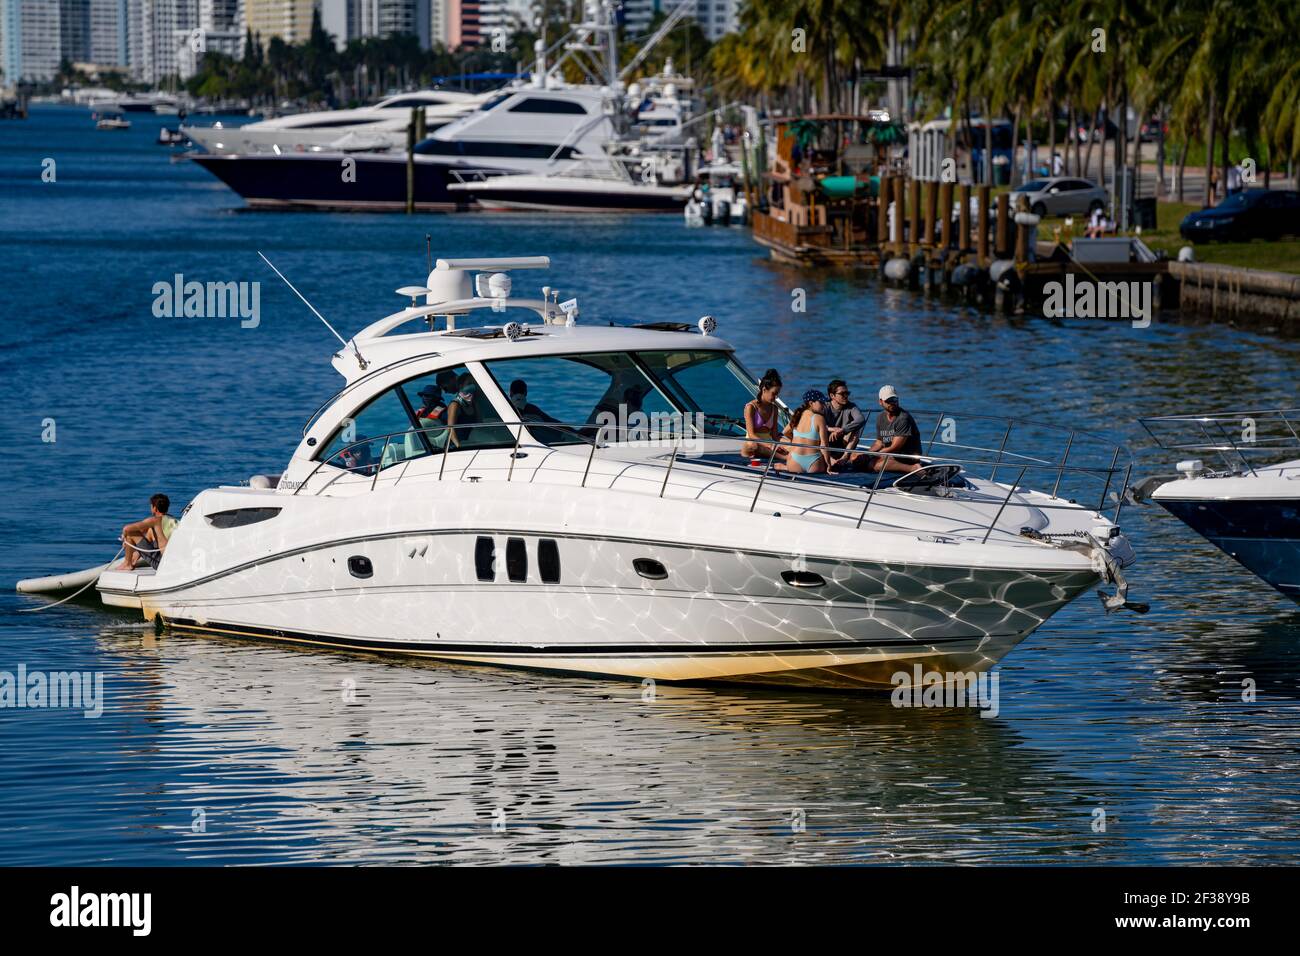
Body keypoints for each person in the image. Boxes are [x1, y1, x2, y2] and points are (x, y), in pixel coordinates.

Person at [865, 385, 923, 473]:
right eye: (889, 401)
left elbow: (895, 447)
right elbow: (879, 442)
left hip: (905, 457)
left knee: (875, 465)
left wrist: (876, 454)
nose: (892, 403)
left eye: (894, 400)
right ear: (881, 402)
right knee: (855, 457)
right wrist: (867, 454)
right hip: (891, 454)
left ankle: (913, 468)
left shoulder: (903, 418)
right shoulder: (880, 417)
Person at [783, 390, 837, 475]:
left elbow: (785, 432)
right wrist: (828, 465)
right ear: (811, 403)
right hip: (814, 461)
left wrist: (794, 441)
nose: (824, 405)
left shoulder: (797, 416)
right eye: (821, 402)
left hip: (794, 461)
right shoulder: (819, 418)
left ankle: (783, 467)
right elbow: (824, 445)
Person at [119, 493, 178, 570]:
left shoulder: (155, 520)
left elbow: (126, 529)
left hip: (162, 564)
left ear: (154, 508)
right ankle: (135, 557)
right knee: (151, 531)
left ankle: (127, 564)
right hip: (175, 560)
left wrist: (124, 537)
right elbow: (144, 532)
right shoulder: (173, 520)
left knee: (130, 533)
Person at [742, 368, 788, 462]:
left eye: (777, 394)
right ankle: (783, 457)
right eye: (774, 394)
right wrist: (769, 445)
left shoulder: (774, 409)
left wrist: (790, 443)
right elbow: (751, 434)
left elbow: (775, 435)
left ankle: (778, 454)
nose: (776, 397)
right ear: (764, 389)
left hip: (769, 444)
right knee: (753, 446)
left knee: (792, 445)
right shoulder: (750, 407)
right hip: (753, 443)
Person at [824, 379, 867, 466]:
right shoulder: (825, 407)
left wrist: (842, 430)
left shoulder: (851, 406)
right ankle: (829, 458)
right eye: (842, 394)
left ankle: (845, 457)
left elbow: (861, 419)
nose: (846, 396)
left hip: (843, 444)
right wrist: (831, 429)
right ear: (832, 395)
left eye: (847, 393)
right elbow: (813, 423)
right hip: (825, 442)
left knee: (856, 429)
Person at [443, 373, 480, 449]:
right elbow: (450, 429)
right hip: (456, 446)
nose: (472, 386)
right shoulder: (455, 404)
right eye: (469, 384)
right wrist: (459, 447)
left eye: (473, 383)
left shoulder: (474, 404)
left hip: (471, 443)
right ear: (461, 386)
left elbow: (479, 423)